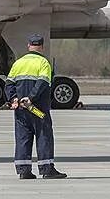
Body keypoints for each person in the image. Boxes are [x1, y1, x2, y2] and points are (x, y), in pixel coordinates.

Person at [4, 34, 67, 179]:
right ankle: (47, 169)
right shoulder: (43, 63)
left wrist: (13, 98)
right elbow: (43, 83)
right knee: (43, 135)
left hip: (20, 108)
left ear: (29, 46)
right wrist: (30, 98)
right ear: (42, 47)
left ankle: (23, 170)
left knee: (22, 138)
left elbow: (8, 83)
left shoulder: (18, 63)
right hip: (36, 109)